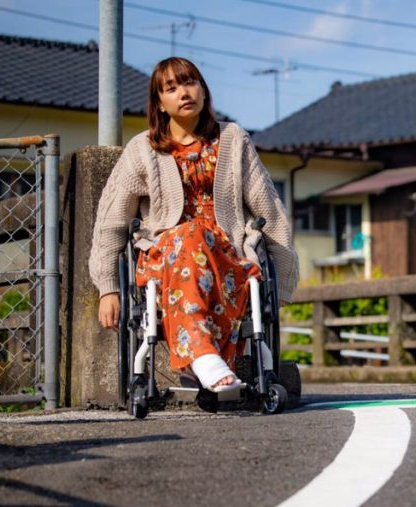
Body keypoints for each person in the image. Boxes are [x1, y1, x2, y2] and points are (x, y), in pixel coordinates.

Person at [89, 57, 297, 391]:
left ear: (203, 90)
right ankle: (203, 356)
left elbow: (268, 208)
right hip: (164, 262)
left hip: (226, 260)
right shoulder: (141, 149)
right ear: (160, 102)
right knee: (188, 234)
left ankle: (202, 359)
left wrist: (283, 279)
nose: (184, 93)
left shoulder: (233, 138)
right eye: (171, 88)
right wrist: (108, 288)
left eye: (190, 83)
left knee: (199, 237)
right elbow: (112, 222)